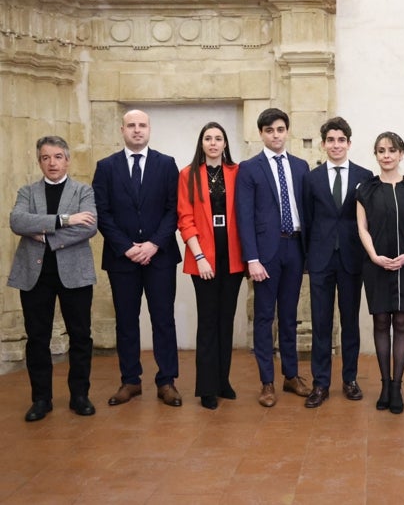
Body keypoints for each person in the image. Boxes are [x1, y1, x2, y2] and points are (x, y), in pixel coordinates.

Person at [92, 109, 183, 407]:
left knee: (163, 320)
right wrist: (127, 247)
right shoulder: (105, 167)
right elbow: (102, 213)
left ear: (149, 129)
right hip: (122, 259)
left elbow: (174, 210)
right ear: (122, 129)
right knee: (126, 321)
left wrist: (154, 244)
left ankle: (167, 381)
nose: (137, 130)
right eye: (131, 125)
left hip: (160, 257)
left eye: (142, 125)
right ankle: (130, 380)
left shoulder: (167, 165)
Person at [8, 136, 98, 422]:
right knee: (37, 338)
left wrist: (43, 233)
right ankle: (41, 399)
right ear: (39, 162)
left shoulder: (83, 191)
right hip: (35, 276)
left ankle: (79, 395)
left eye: (58, 156)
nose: (52, 162)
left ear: (67, 160)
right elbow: (17, 221)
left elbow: (89, 227)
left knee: (81, 336)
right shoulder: (27, 191)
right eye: (45, 157)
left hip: (75, 274)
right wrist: (63, 220)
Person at [235, 108, 312, 407]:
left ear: (287, 131)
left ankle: (291, 375)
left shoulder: (301, 166)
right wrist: (251, 258)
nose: (275, 135)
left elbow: (307, 210)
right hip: (265, 254)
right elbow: (244, 216)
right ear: (261, 134)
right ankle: (267, 382)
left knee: (290, 316)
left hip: (295, 248)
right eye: (269, 130)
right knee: (265, 317)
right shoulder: (249, 168)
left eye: (280, 129)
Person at [301, 117, 373, 408]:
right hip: (320, 259)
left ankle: (350, 379)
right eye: (330, 140)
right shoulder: (312, 178)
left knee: (350, 321)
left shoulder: (364, 175)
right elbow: (307, 220)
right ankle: (320, 383)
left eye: (341, 140)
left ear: (349, 143)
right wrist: (307, 258)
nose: (336, 145)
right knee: (320, 322)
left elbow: (369, 218)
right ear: (323, 144)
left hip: (352, 259)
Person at [177, 122, 246, 410]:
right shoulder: (188, 174)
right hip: (202, 258)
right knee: (207, 322)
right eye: (208, 138)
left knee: (225, 321)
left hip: (232, 257)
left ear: (225, 144)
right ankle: (206, 387)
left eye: (219, 138)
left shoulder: (237, 172)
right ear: (201, 143)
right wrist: (201, 256)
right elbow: (185, 219)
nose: (214, 143)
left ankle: (223, 382)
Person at [356, 132, 404, 414]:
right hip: (376, 265)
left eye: (392, 150)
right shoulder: (366, 189)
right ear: (376, 155)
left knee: (402, 323)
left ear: (401, 153)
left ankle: (397, 387)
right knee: (381, 322)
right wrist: (374, 256)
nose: (386, 155)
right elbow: (362, 227)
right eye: (381, 150)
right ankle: (384, 384)